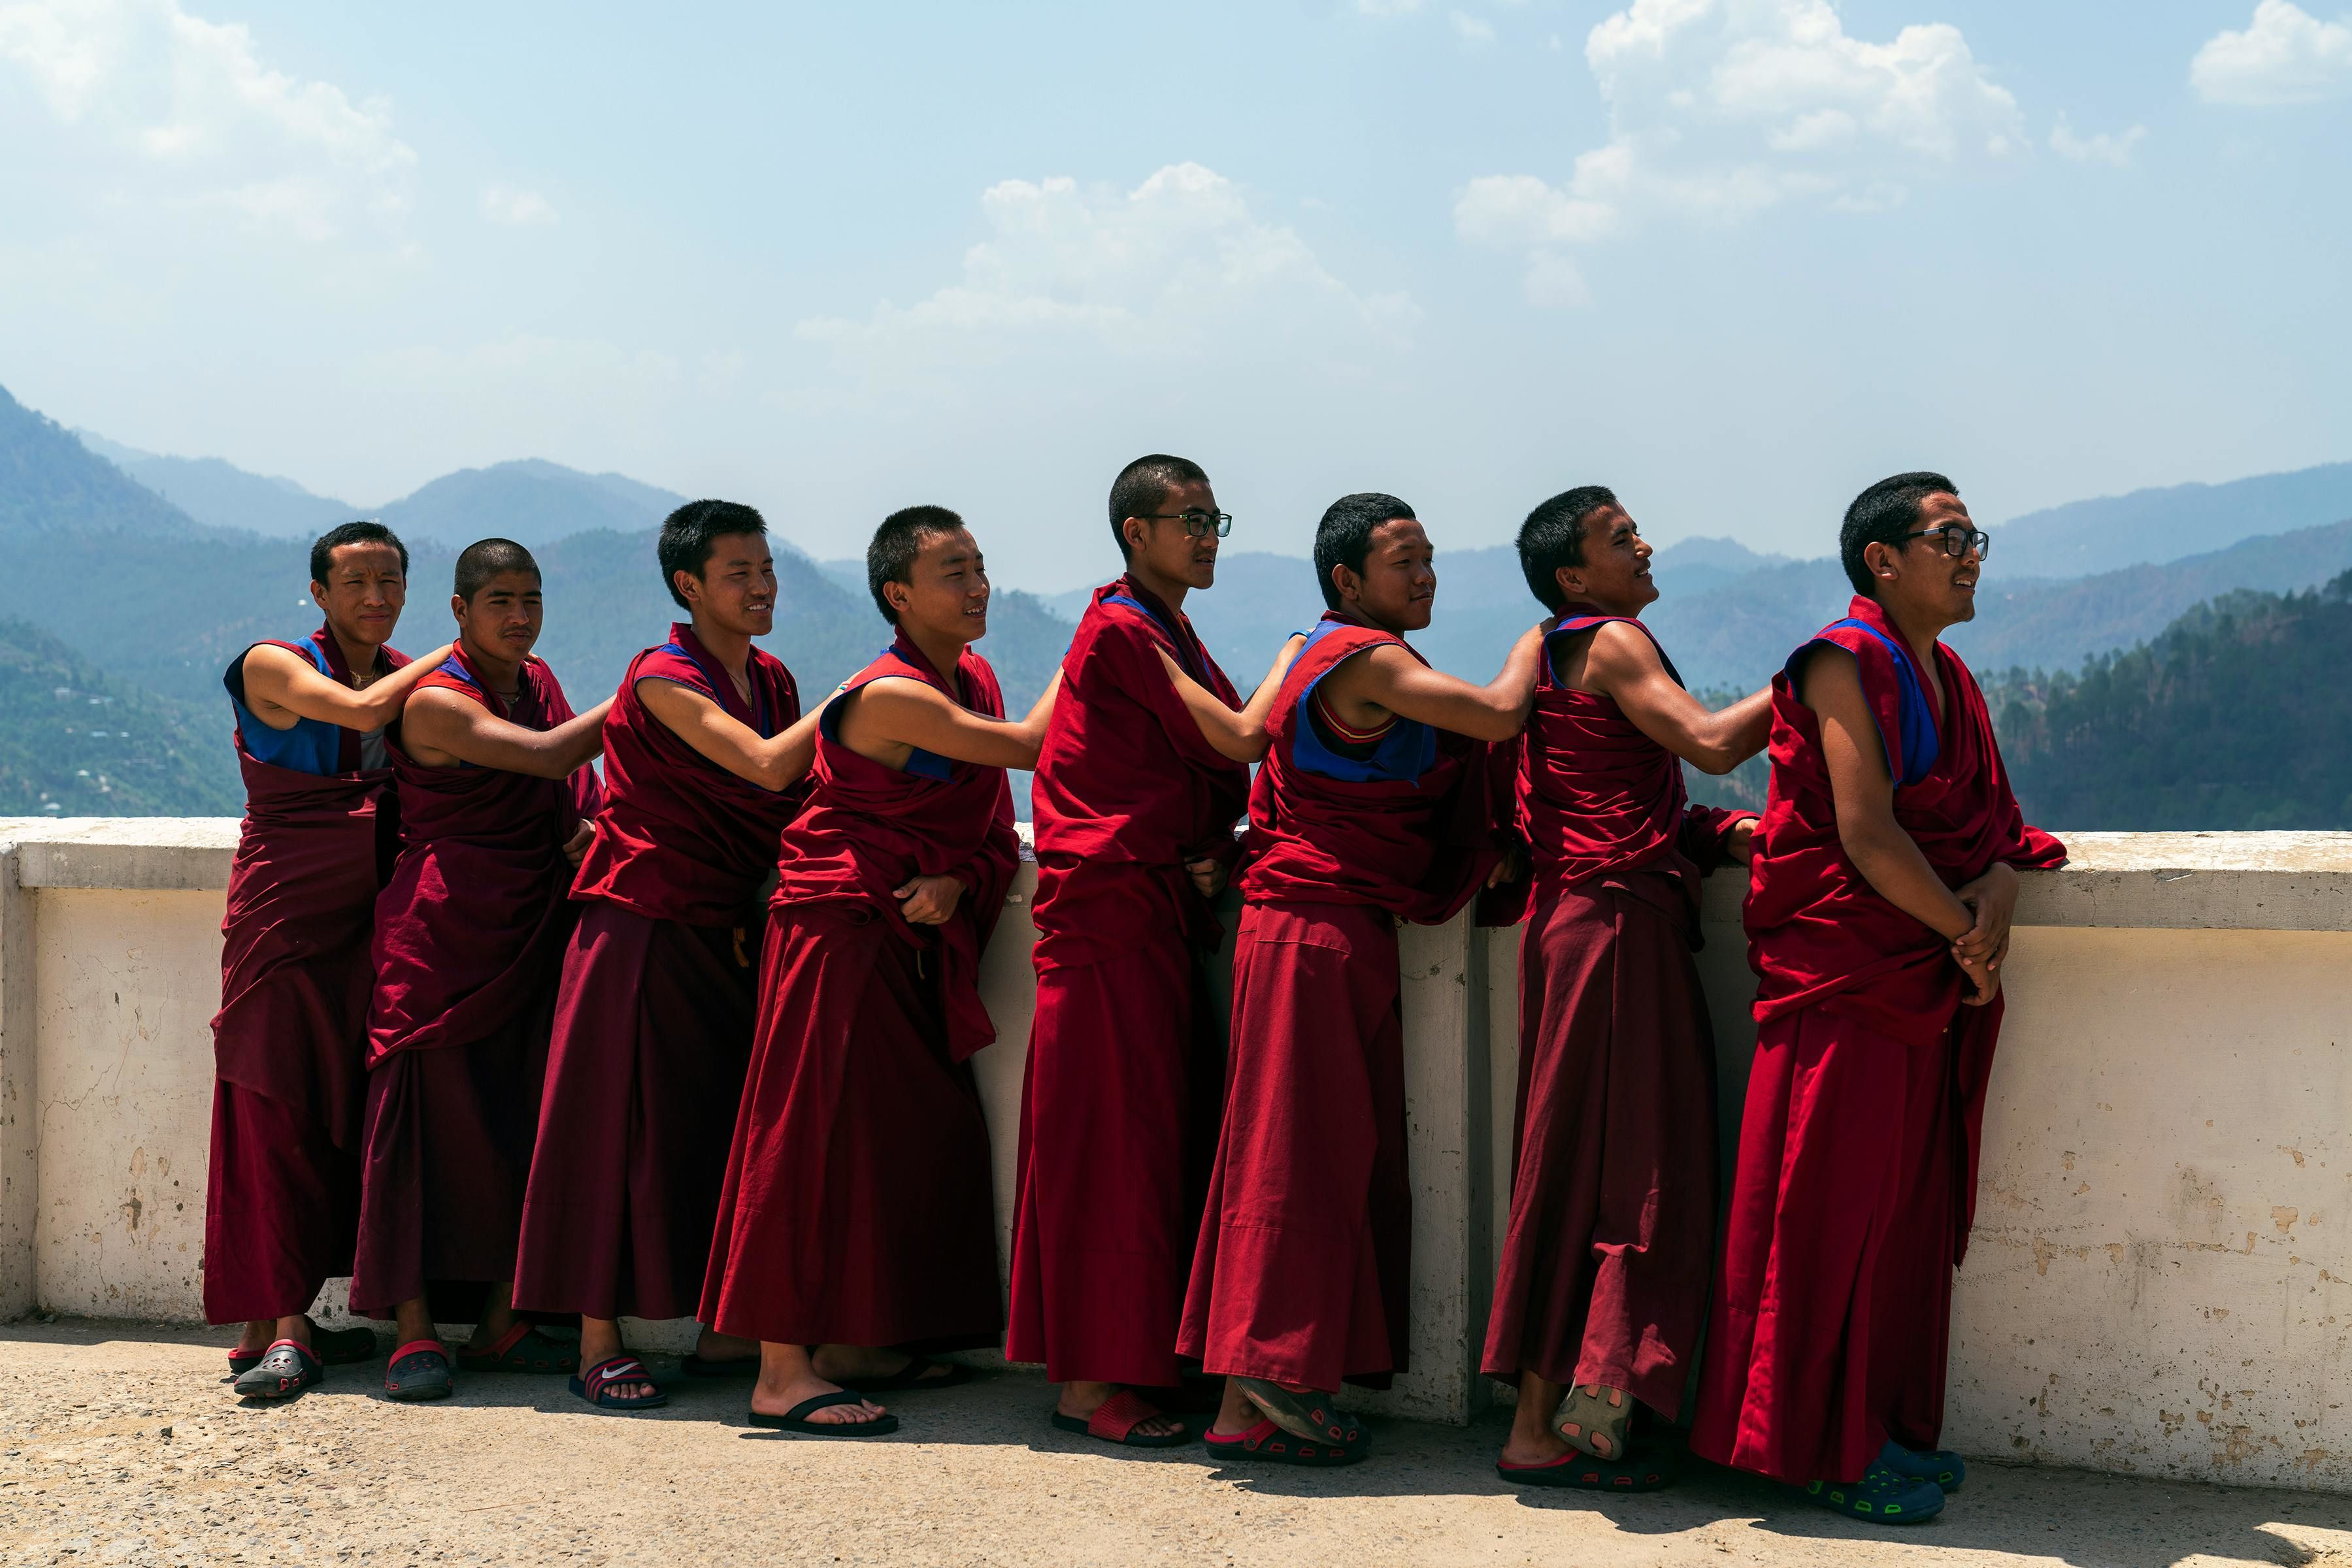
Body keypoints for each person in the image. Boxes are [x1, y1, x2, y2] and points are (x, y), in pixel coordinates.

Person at [1689, 473, 2066, 1524]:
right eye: (1949, 537)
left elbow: (1996, 830)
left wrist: (1991, 898)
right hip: (1849, 977)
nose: (1973, 554)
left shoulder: (1950, 675)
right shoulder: (1841, 661)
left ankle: (1882, 1426)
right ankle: (1812, 1447)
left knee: (1896, 1219)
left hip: (1921, 970)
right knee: (1827, 1215)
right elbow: (1866, 833)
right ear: (1882, 560)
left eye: (1974, 535)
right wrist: (1965, 936)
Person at [1178, 493, 1542, 1466]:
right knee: (1297, 1158)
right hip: (1314, 931)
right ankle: (1272, 1371)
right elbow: (1503, 715)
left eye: (1429, 560)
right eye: (1403, 563)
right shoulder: (1370, 659)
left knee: (1302, 1150)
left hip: (1314, 926)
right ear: (1348, 580)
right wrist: (1545, 636)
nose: (1424, 578)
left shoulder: (1312, 644)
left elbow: (1254, 740)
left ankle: (1239, 1404)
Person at [700, 506, 1059, 1437]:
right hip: (837, 933)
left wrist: (959, 876)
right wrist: (1104, 634)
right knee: (809, 1140)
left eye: (981, 566)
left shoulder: (969, 676)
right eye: (954, 572)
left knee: (903, 1138)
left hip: (904, 932)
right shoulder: (890, 692)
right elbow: (1028, 750)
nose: (979, 586)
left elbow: (984, 821)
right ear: (900, 595)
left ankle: (856, 1342)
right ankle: (780, 1368)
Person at [1005, 455, 1299, 1448]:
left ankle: (1137, 1360)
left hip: (1151, 910)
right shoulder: (1123, 627)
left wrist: (1205, 850)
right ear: (1137, 532)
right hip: (1104, 921)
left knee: (1149, 1143)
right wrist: (1311, 653)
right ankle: (1089, 1387)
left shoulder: (1163, 626)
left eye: (1217, 517)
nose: (1210, 534)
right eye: (1190, 519)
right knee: (1107, 1151)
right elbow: (1238, 741)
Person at [1478, 487, 1769, 1488]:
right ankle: (1548, 1420)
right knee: (1636, 1159)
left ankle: (1561, 1407)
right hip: (1611, 930)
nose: (1643, 544)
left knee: (1582, 1162)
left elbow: (1625, 791)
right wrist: (1831, 664)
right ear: (1574, 577)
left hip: (1578, 921)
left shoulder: (1555, 647)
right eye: (1618, 538)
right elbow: (1716, 743)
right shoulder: (1610, 643)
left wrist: (1714, 832)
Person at [513, 502, 827, 1412]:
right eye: (741, 573)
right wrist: (871, 698)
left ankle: (722, 1328)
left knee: (708, 1131)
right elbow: (768, 769)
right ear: (689, 587)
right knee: (609, 1132)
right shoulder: (662, 676)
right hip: (638, 930)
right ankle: (596, 1341)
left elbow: (792, 802)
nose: (763, 587)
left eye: (768, 570)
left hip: (724, 927)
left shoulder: (770, 678)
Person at [351, 538, 610, 1401]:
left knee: (517, 1122)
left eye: (531, 600)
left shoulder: (537, 686)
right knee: (415, 1132)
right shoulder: (433, 703)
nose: (520, 617)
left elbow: (577, 794)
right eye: (500, 600)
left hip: (531, 922)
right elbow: (547, 759)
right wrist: (658, 693)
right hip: (441, 932)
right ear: (459, 612)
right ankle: (413, 1329)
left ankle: (504, 1319)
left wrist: (588, 831)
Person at [207, 521, 452, 1399]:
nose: (377, 598)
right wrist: (462, 651)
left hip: (377, 922)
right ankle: (283, 1323)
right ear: (319, 592)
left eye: (391, 581)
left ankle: (397, 1315)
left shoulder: (402, 675)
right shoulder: (272, 663)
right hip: (284, 919)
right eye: (356, 583)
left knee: (380, 1107)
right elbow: (354, 716)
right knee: (277, 1108)